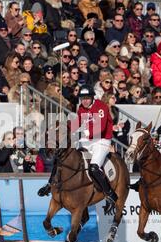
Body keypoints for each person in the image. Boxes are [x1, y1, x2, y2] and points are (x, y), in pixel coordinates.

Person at [38, 85, 117, 213]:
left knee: (94, 167)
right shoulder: (81, 108)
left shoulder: (101, 107)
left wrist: (82, 133)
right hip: (87, 140)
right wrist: (64, 126)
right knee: (64, 156)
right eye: (82, 98)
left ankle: (110, 194)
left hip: (101, 140)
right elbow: (78, 123)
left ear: (92, 97)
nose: (84, 101)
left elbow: (100, 128)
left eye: (87, 98)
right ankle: (49, 184)